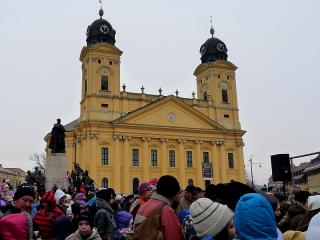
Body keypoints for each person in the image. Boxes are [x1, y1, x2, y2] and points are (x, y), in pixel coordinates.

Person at [134, 175, 184, 240]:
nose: (180, 198)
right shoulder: (165, 210)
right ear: (174, 194)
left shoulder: (144, 206)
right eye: (179, 193)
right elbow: (174, 236)